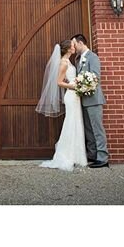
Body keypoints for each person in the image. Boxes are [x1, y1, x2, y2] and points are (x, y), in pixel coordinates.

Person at [36, 39, 88, 171]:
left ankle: (77, 156)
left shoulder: (69, 61)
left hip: (74, 95)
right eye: (72, 46)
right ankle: (66, 155)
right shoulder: (64, 63)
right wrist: (74, 85)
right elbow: (59, 82)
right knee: (71, 123)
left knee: (76, 122)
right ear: (68, 49)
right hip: (71, 95)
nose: (74, 47)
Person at [71, 34, 109, 168]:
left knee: (97, 129)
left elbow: (95, 77)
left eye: (74, 44)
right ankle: (92, 155)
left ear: (81, 43)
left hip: (94, 99)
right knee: (88, 130)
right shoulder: (78, 59)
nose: (73, 47)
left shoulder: (93, 57)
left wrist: (81, 85)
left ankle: (103, 158)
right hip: (83, 100)